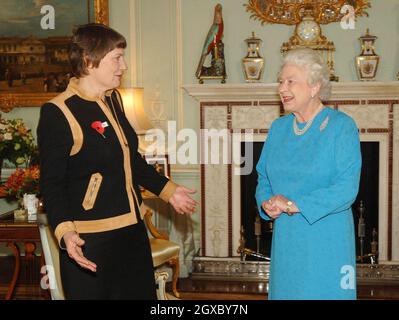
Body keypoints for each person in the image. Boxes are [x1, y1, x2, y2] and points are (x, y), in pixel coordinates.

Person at [37, 23, 197, 300]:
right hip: (91, 241)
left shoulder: (114, 101)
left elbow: (130, 159)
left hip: (132, 233)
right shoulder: (58, 112)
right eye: (117, 58)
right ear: (89, 60)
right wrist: (65, 233)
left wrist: (168, 190)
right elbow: (52, 184)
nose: (123, 66)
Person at [255, 48, 361, 300]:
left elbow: (346, 189)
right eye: (281, 81)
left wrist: (293, 204)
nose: (282, 88)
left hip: (327, 240)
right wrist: (266, 201)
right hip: (288, 240)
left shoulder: (341, 127)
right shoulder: (278, 128)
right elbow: (263, 176)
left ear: (314, 87)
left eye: (291, 81)